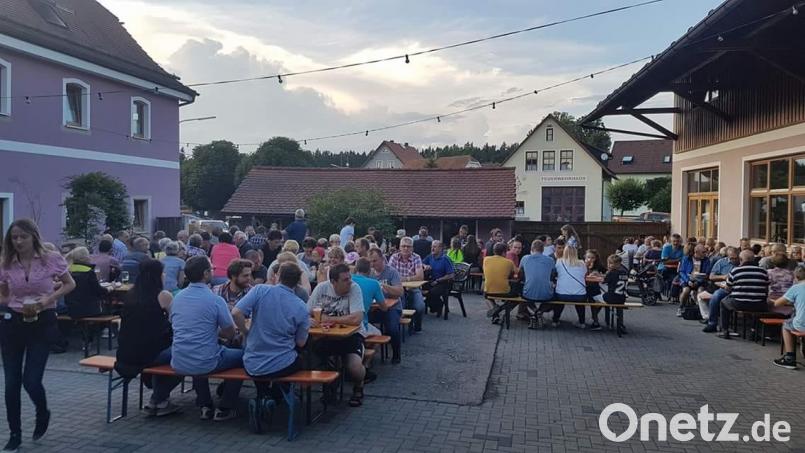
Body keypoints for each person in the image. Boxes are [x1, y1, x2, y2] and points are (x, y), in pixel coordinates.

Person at [0, 219, 76, 451]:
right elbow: (3, 296)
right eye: (14, 237)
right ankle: (15, 433)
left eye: (23, 236)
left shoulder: (50, 258)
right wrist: (7, 301)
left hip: (42, 322)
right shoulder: (6, 263)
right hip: (13, 322)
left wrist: (48, 300)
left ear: (34, 236)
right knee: (11, 382)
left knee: (31, 380)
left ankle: (42, 412)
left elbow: (69, 284)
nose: (19, 241)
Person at [231, 262, 309, 418]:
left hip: (252, 362)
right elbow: (301, 343)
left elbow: (236, 312)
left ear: (277, 276)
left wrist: (247, 332)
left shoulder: (260, 290)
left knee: (261, 364)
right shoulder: (300, 306)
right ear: (298, 281)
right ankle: (276, 396)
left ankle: (263, 396)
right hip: (281, 363)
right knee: (301, 359)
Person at [170, 256, 243, 421]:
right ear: (205, 273)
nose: (213, 271)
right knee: (244, 357)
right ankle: (226, 405)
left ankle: (205, 404)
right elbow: (230, 333)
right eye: (211, 269)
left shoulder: (177, 298)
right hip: (206, 361)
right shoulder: (215, 300)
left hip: (179, 359)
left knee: (200, 349)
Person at [115, 259, 180, 417]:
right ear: (157, 276)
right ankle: (158, 400)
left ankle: (158, 399)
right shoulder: (163, 296)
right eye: (163, 272)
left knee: (163, 352)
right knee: (186, 357)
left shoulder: (130, 294)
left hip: (125, 352)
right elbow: (175, 321)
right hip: (149, 353)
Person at [307, 264, 367, 407]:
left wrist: (328, 319)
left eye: (349, 278)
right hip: (326, 336)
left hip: (352, 336)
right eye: (345, 279)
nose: (350, 282)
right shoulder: (321, 288)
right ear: (333, 282)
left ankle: (359, 386)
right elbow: (307, 310)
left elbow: (356, 319)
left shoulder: (354, 288)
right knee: (312, 358)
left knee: (354, 367)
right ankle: (330, 387)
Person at [718, 250, 769, 339]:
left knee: (723, 302)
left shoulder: (735, 270)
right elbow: (766, 288)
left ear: (741, 260)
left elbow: (728, 288)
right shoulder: (763, 271)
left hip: (739, 303)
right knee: (757, 305)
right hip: (759, 305)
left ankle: (725, 330)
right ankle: (754, 330)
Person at [367, 248, 404, 364]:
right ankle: (366, 355)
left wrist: (384, 286)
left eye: (375, 261)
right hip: (374, 307)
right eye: (371, 262)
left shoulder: (392, 272)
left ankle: (396, 354)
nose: (373, 264)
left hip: (392, 307)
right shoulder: (369, 273)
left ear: (383, 259)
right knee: (361, 323)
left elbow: (400, 292)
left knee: (392, 328)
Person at [388, 237, 426, 332]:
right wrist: (405, 279)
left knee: (420, 306)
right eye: (403, 246)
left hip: (414, 288)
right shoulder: (394, 257)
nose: (406, 248)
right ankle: (396, 328)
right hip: (398, 288)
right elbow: (389, 275)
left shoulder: (416, 257)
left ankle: (417, 326)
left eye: (408, 247)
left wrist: (405, 279)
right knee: (398, 306)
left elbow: (420, 276)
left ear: (412, 248)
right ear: (399, 247)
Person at [771, 266, 805, 369]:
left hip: (802, 325)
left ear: (796, 277)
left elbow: (777, 303)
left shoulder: (796, 287)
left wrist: (772, 300)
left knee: (786, 325)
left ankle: (789, 358)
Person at [519, 240, 555, 329]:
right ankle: (540, 311)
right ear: (543, 249)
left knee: (523, 294)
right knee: (555, 297)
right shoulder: (550, 260)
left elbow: (520, 273)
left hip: (528, 293)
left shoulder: (525, 258)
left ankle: (534, 311)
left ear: (532, 249)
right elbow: (553, 274)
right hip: (546, 294)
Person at [701, 246, 739, 331]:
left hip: (738, 288)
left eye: (736, 258)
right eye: (731, 258)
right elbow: (711, 277)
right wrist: (723, 277)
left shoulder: (742, 263)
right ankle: (712, 323)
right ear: (727, 256)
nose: (734, 260)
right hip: (724, 286)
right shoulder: (721, 262)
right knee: (716, 296)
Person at [64, 247, 108, 319]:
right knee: (110, 310)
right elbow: (98, 290)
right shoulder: (89, 272)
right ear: (86, 257)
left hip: (72, 310)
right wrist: (108, 289)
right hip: (90, 310)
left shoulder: (68, 271)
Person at [554, 245, 588, 328]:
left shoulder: (559, 262)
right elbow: (585, 274)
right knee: (580, 302)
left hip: (562, 295)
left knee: (559, 300)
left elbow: (556, 273)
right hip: (580, 296)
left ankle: (555, 320)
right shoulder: (582, 263)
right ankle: (582, 322)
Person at [483, 242, 517, 324]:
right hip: (504, 291)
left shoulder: (486, 259)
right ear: (504, 252)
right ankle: (501, 309)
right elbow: (516, 274)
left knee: (486, 296)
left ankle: (495, 311)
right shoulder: (509, 262)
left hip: (488, 290)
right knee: (518, 298)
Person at [352, 258, 386, 339]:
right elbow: (384, 308)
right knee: (379, 334)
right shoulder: (374, 283)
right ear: (369, 270)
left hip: (347, 320)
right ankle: (367, 348)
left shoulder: (348, 280)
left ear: (356, 268)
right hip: (361, 324)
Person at [677, 244, 712, 316]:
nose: (705, 254)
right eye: (703, 252)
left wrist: (698, 281)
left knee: (701, 291)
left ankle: (701, 311)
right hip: (687, 279)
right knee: (686, 290)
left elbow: (707, 273)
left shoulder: (706, 260)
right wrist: (688, 281)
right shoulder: (686, 258)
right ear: (696, 252)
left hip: (700, 280)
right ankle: (681, 307)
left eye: (705, 252)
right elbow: (681, 271)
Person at [422, 240, 455, 316]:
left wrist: (438, 280)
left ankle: (439, 305)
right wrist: (425, 266)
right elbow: (420, 262)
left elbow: (451, 275)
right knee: (420, 289)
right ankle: (433, 306)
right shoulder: (430, 257)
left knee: (432, 292)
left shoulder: (445, 259)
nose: (432, 249)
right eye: (432, 247)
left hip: (444, 282)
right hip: (432, 281)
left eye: (434, 247)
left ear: (440, 249)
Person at [602, 254, 629, 333]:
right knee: (618, 305)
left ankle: (599, 320)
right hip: (622, 298)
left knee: (596, 297)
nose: (609, 265)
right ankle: (620, 324)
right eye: (609, 263)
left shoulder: (611, 273)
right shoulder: (624, 273)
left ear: (617, 264)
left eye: (611, 263)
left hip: (611, 298)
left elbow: (604, 281)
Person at [583, 249, 607, 331]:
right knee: (592, 301)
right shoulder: (582, 265)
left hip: (595, 288)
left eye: (592, 258)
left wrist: (600, 274)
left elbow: (607, 274)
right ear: (585, 257)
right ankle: (595, 321)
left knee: (599, 302)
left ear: (596, 258)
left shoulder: (598, 266)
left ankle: (594, 318)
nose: (590, 259)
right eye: (588, 257)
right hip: (584, 288)